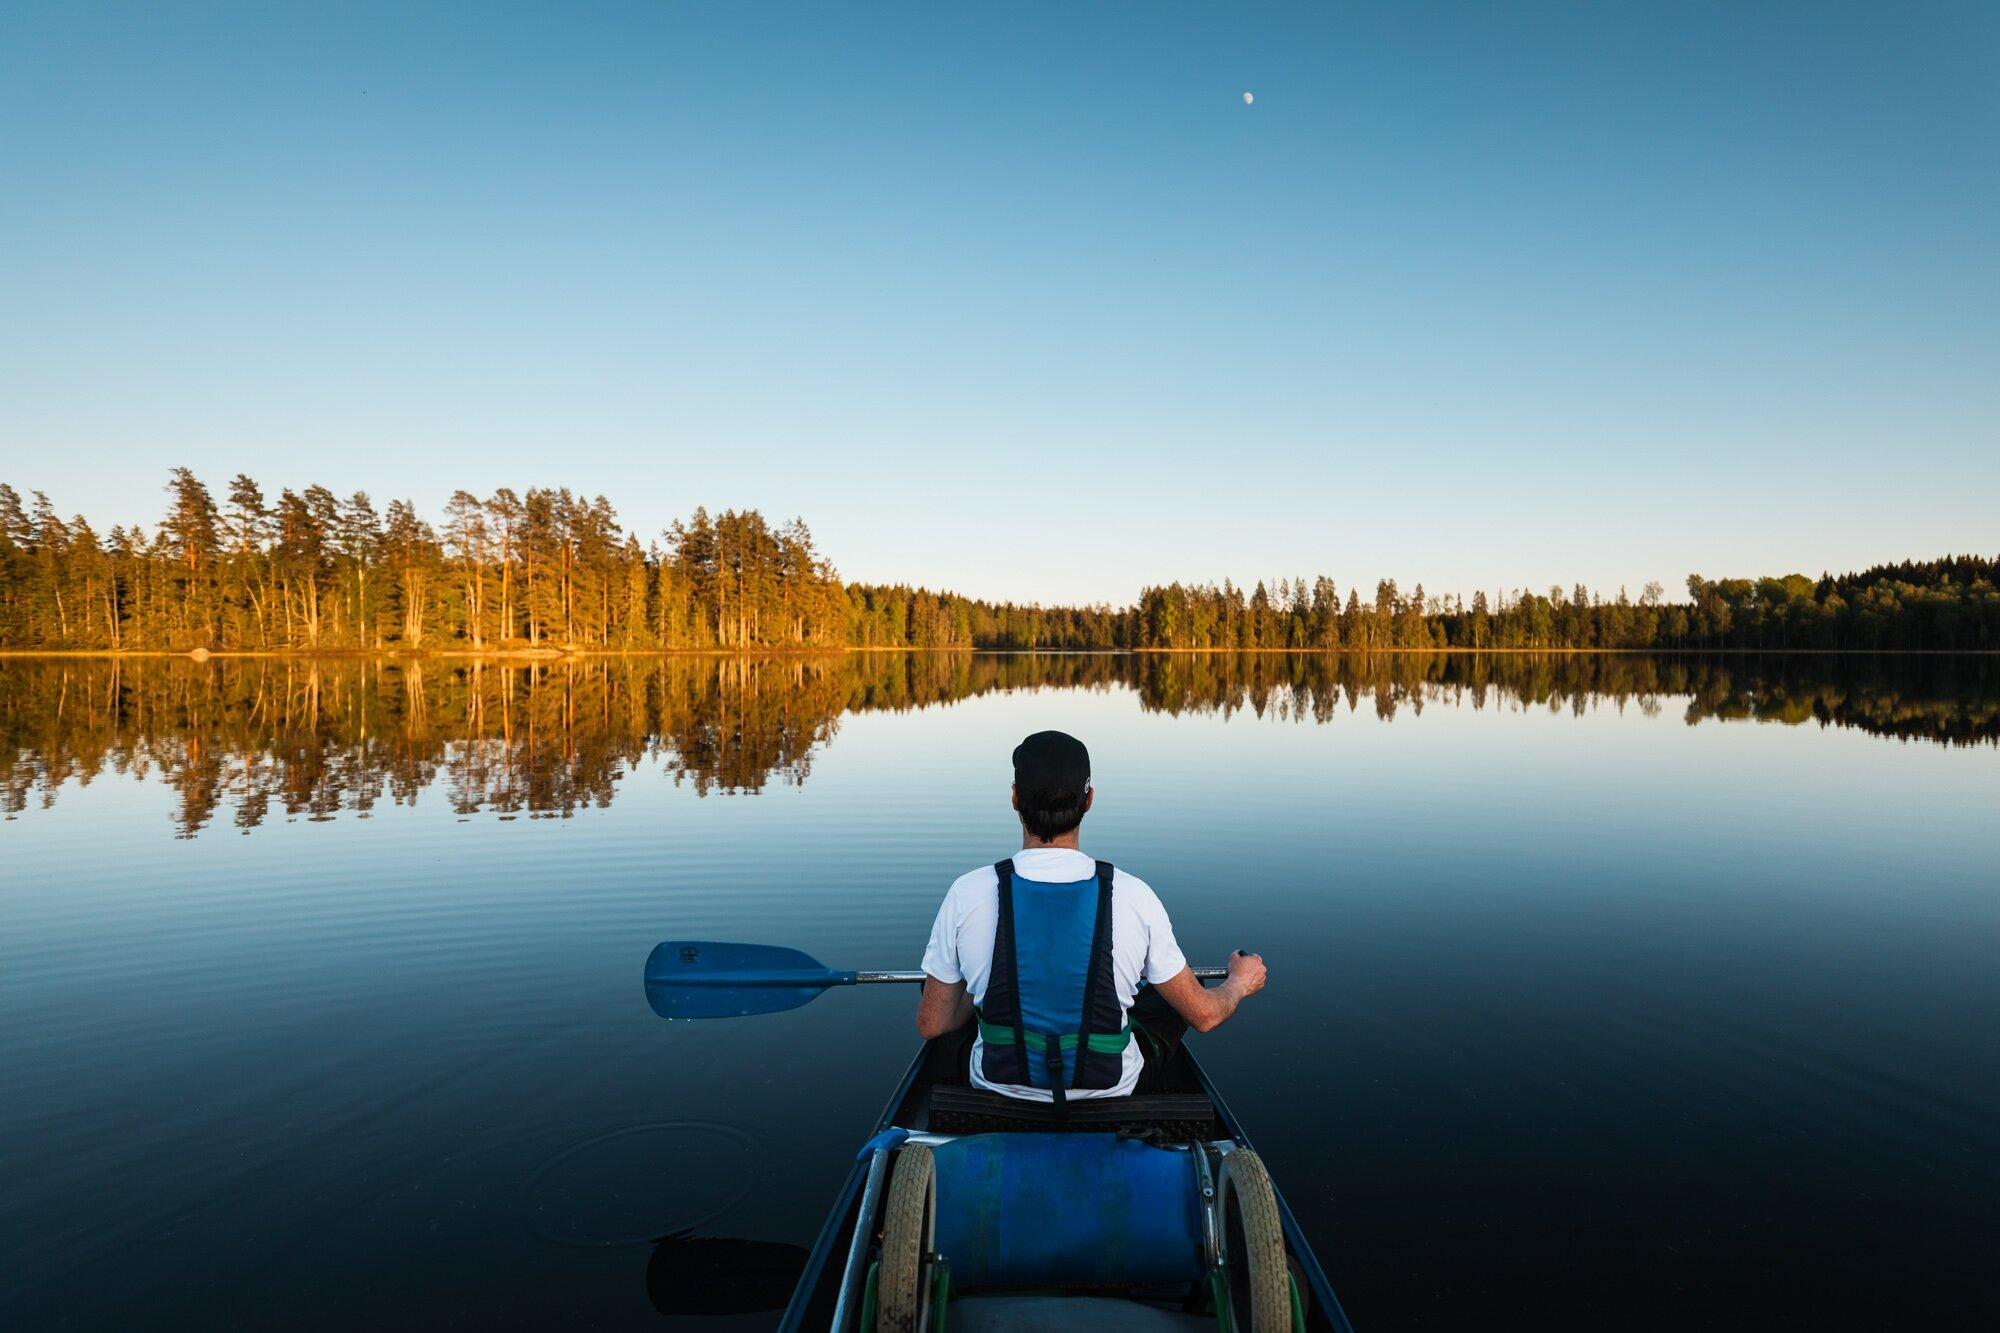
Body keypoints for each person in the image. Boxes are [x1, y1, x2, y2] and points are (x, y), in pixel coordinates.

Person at [917, 729, 1267, 1105]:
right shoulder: (1134, 895)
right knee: (1170, 996)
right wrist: (1237, 984)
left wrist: (975, 990)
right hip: (1112, 1089)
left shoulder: (967, 892)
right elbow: (1205, 1016)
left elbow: (932, 1023)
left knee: (938, 988)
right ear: (1089, 801)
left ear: (1015, 797)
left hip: (996, 1088)